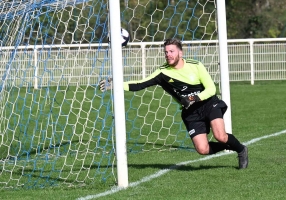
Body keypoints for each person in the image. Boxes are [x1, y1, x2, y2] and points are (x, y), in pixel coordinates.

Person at [100, 38, 248, 169]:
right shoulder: (162, 73)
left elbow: (211, 89)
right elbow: (139, 84)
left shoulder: (196, 65)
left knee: (220, 136)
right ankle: (228, 146)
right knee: (202, 149)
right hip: (190, 112)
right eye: (166, 52)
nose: (168, 54)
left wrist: (193, 98)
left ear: (180, 53)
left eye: (171, 51)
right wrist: (114, 84)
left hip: (209, 104)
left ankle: (241, 150)